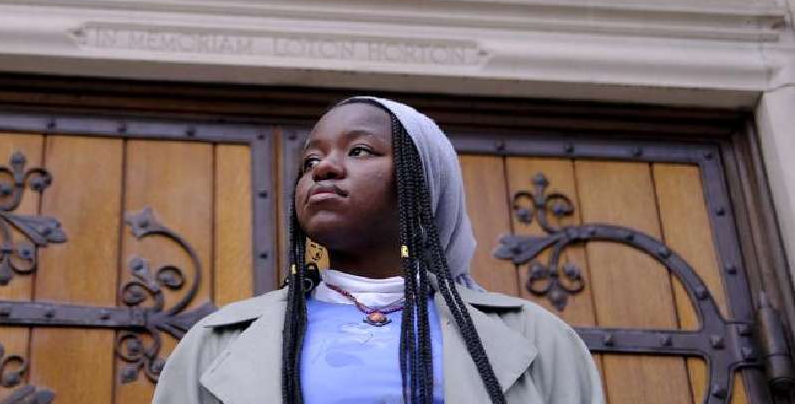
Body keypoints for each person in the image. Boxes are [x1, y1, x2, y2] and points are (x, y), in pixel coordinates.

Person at [152, 96, 603, 404]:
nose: (324, 168)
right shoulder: (215, 344)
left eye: (361, 151)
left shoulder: (537, 340)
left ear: (421, 185)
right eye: (310, 160)